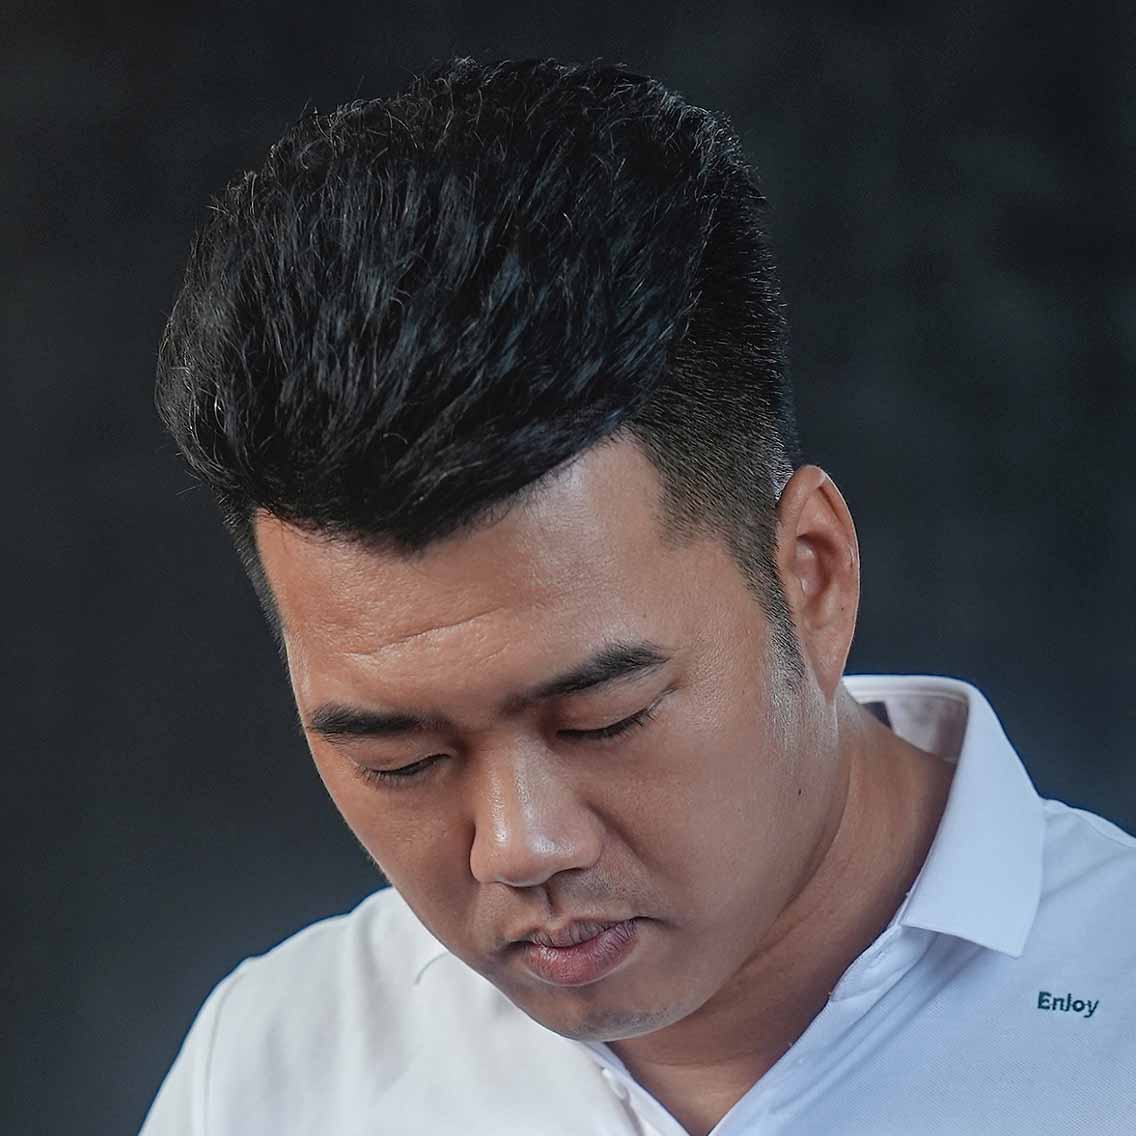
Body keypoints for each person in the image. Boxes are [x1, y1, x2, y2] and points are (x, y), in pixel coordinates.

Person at [138, 56, 1136, 1136]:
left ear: (811, 574)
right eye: (402, 760)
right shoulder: (273, 1068)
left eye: (601, 718)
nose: (520, 847)